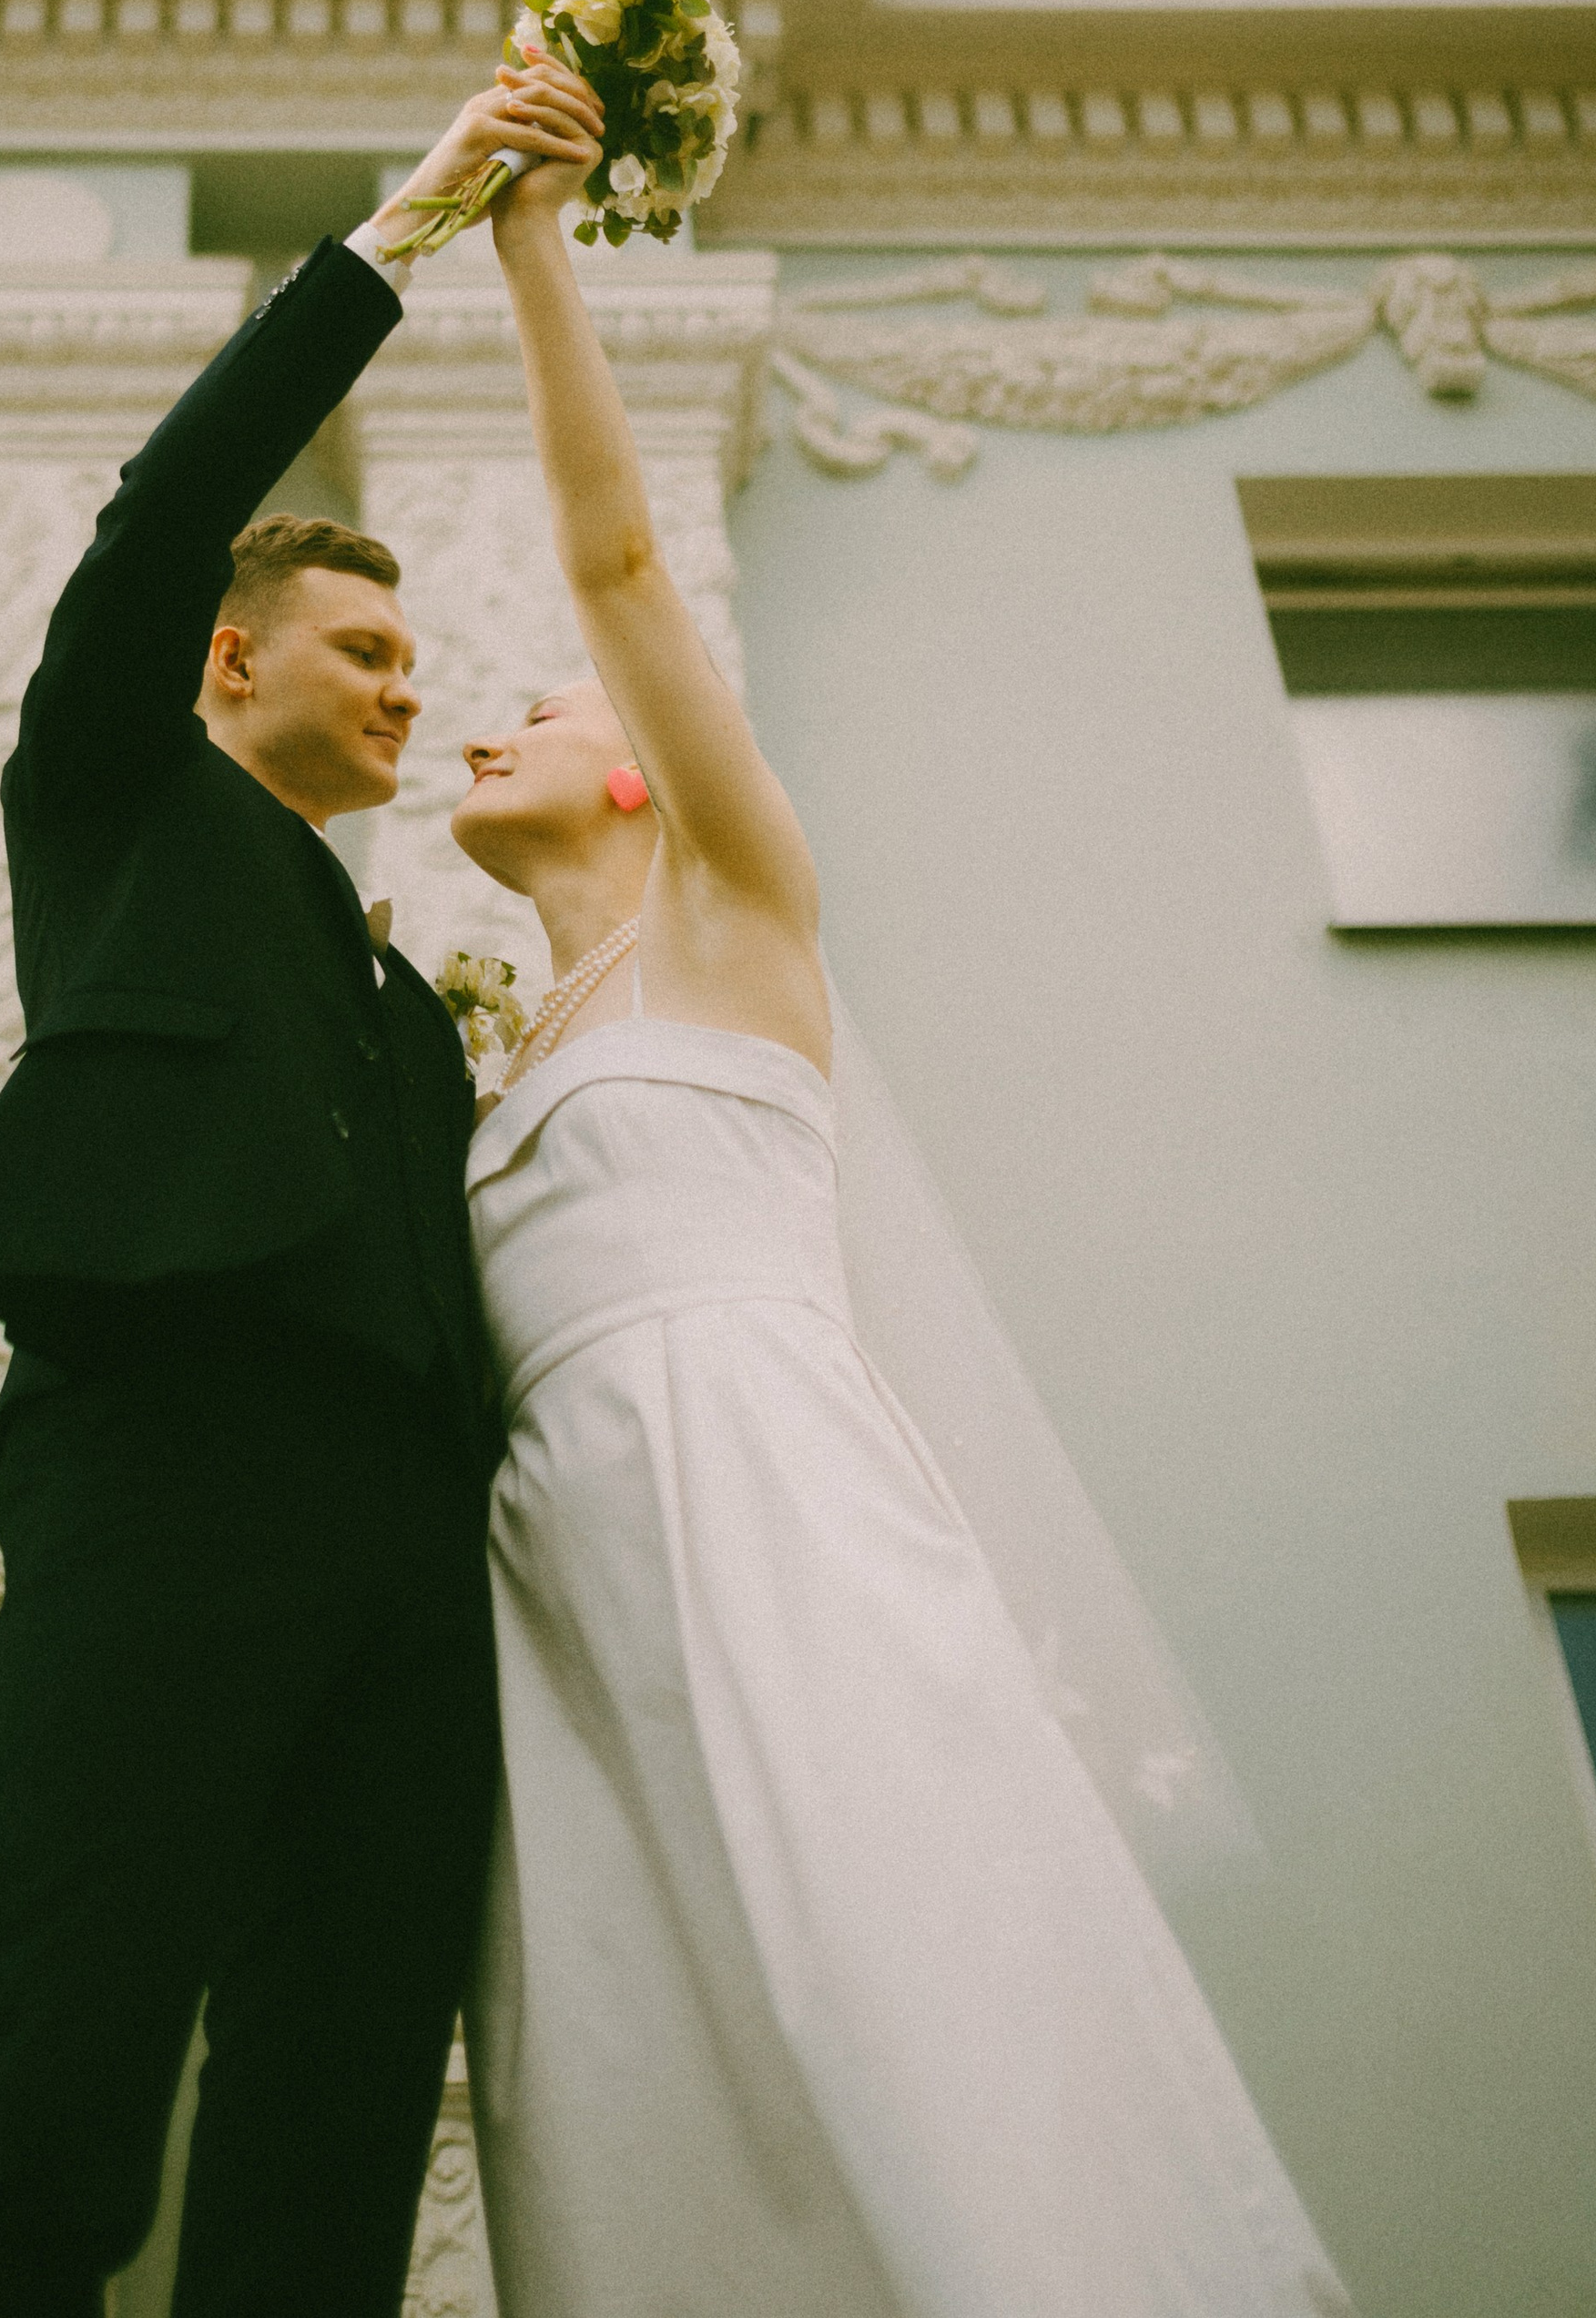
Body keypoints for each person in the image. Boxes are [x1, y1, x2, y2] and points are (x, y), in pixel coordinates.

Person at [450, 127, 1355, 2318]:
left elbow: (619, 556)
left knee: (896, 1984)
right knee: (637, 2054)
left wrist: (529, 247)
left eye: (540, 711)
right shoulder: (483, 1055)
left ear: (650, 767)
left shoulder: (739, 920)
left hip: (763, 1498)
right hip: (555, 1579)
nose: (493, 722)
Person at [0, 48, 606, 2318]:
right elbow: (163, 501)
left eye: (410, 658)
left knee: (341, 2121)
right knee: (57, 2091)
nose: (404, 693)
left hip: (409, 1546)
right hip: (170, 1466)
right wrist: (409, 227)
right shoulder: (111, 793)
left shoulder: (397, 987)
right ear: (225, 658)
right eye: (363, 651)